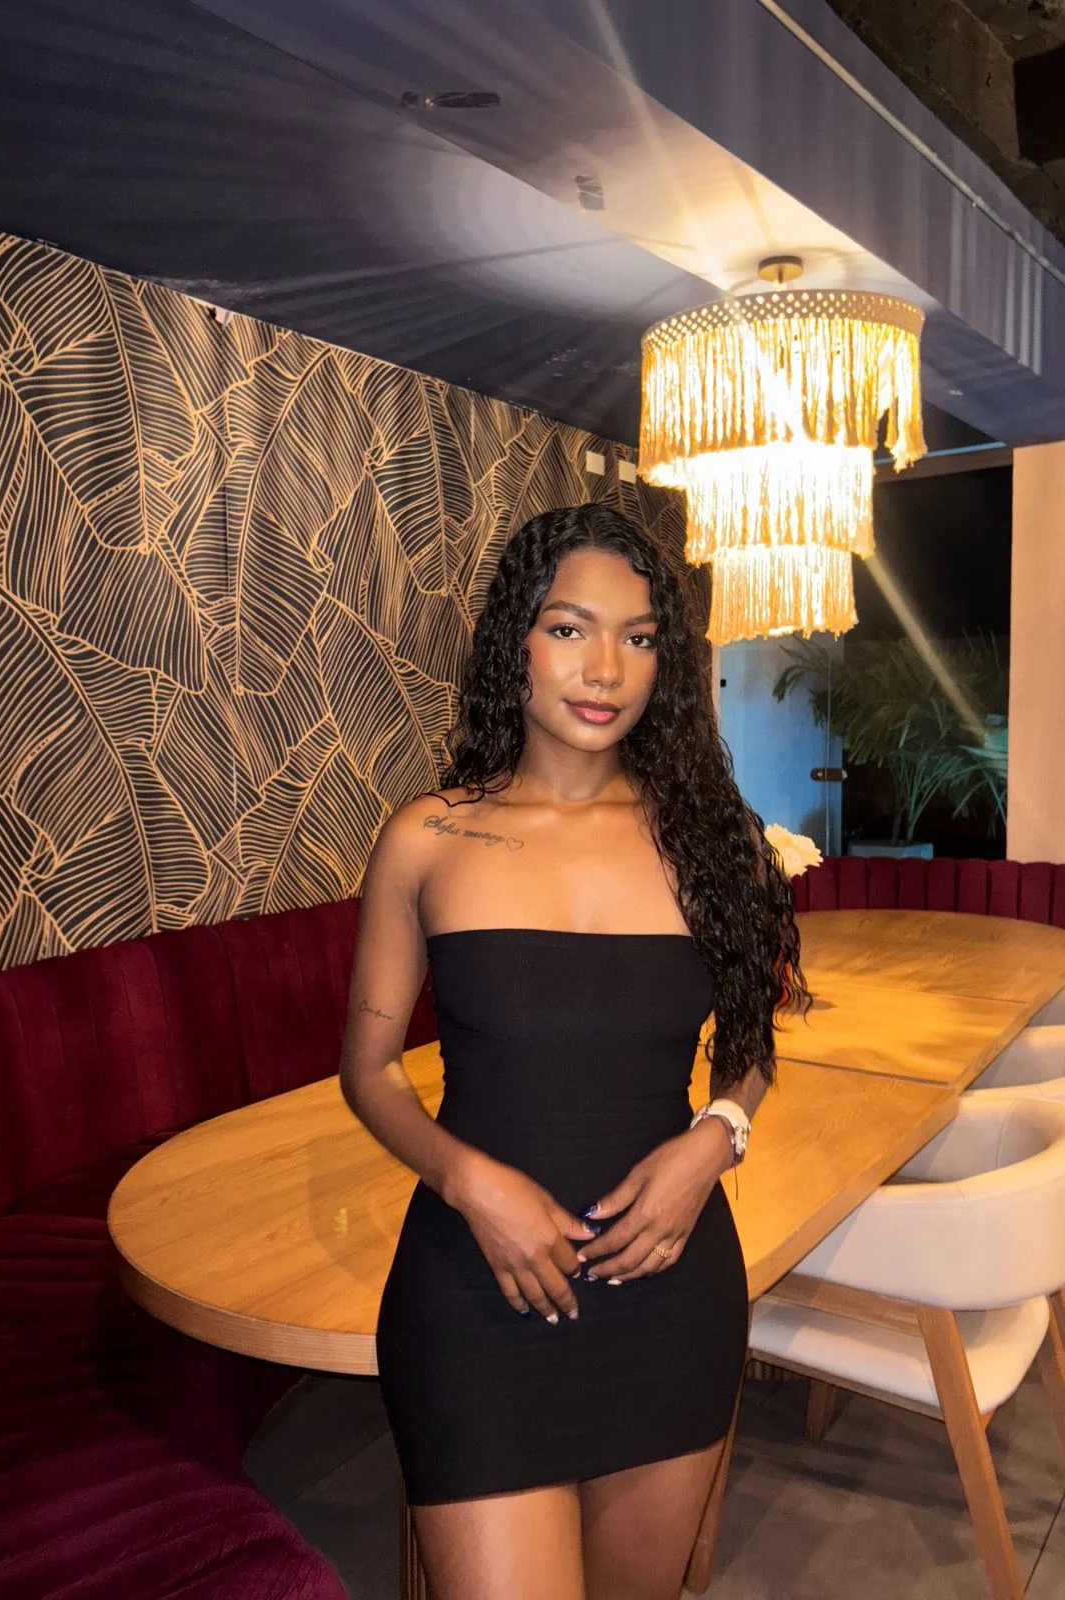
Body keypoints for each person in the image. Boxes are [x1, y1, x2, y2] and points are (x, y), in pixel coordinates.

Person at [339, 502, 807, 1600]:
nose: (605, 670)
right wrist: (470, 1180)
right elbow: (369, 1069)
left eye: (638, 638)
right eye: (568, 629)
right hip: (475, 1294)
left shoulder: (717, 843)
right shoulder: (428, 838)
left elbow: (750, 1049)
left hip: (669, 1293)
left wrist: (715, 1139)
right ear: (516, 644)